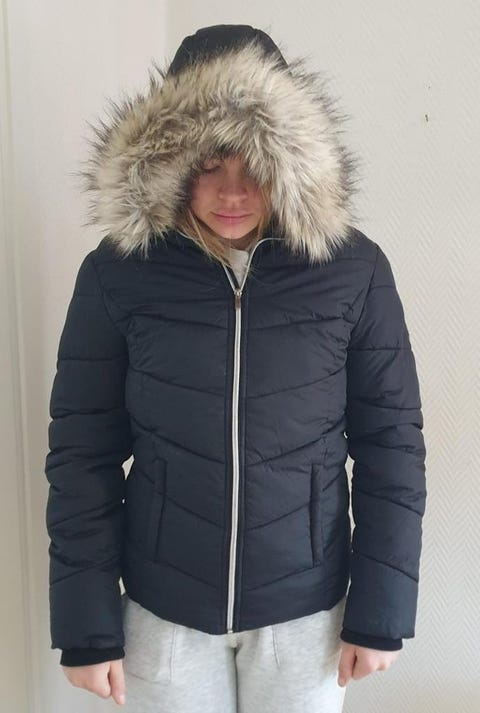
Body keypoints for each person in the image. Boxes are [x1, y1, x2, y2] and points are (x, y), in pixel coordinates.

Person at [44, 24, 427, 712]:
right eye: (208, 162)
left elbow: (391, 445)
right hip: (165, 617)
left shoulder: (353, 271)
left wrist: (381, 611)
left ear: (290, 158)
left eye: (254, 161)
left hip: (306, 617)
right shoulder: (118, 274)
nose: (233, 190)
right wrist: (86, 627)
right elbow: (81, 454)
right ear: (169, 160)